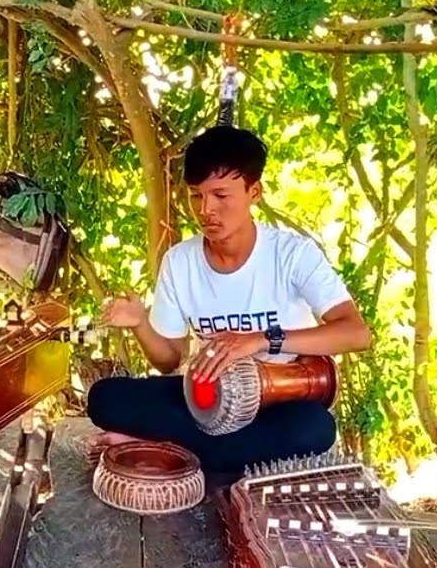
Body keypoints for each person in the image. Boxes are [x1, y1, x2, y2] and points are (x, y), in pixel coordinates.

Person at [86, 126, 372, 478]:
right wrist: (141, 324)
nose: (206, 210)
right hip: (205, 402)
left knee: (315, 427)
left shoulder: (292, 254)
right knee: (105, 398)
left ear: (254, 192)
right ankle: (214, 454)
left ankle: (170, 448)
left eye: (221, 195)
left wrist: (262, 339)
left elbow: (356, 334)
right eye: (196, 196)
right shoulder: (180, 262)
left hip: (277, 402)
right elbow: (169, 360)